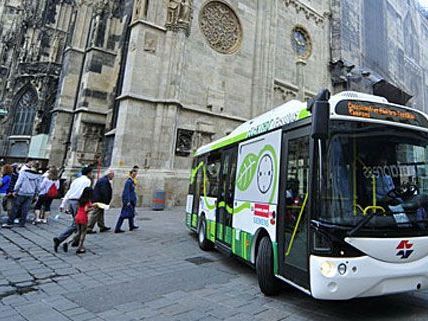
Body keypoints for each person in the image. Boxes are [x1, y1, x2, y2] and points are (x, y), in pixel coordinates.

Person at [53, 166, 93, 252]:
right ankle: (61, 239)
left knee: (77, 223)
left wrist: (63, 204)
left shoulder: (76, 180)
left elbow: (69, 191)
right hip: (78, 203)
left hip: (71, 201)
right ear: (89, 173)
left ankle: (76, 242)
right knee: (77, 224)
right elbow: (85, 193)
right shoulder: (87, 181)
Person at [2, 162, 42, 228]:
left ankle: (10, 222)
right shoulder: (38, 175)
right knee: (25, 209)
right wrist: (36, 194)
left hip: (21, 192)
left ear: (31, 166)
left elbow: (18, 183)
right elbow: (38, 187)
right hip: (30, 194)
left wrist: (15, 190)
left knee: (15, 208)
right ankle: (22, 223)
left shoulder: (24, 173)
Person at [67, 187, 93, 254]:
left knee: (78, 232)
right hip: (83, 217)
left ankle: (68, 242)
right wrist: (92, 208)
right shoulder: (88, 201)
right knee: (83, 232)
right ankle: (80, 247)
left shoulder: (80, 199)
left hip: (77, 216)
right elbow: (86, 210)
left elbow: (79, 208)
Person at [87, 169, 114, 234]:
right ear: (109, 174)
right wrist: (106, 201)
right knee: (95, 213)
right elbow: (104, 192)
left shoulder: (104, 180)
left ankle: (102, 226)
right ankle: (89, 227)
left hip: (99, 199)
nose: (113, 176)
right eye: (112, 175)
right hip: (99, 200)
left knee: (100, 213)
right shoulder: (104, 181)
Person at [114, 169, 139, 233]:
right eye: (133, 174)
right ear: (130, 174)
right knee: (123, 214)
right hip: (128, 200)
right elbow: (126, 192)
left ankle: (131, 225)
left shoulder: (132, 181)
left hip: (132, 200)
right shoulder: (129, 182)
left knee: (131, 213)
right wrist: (127, 201)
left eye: (135, 174)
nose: (135, 175)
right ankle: (117, 228)